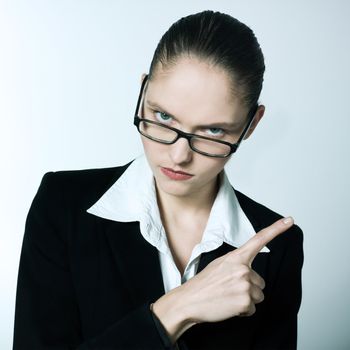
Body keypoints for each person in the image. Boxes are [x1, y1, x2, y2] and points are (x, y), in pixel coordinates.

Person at [13, 10, 304, 350]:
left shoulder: (276, 248)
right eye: (163, 116)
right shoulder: (62, 206)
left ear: (251, 124)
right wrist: (176, 309)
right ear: (143, 92)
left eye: (213, 131)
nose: (179, 155)